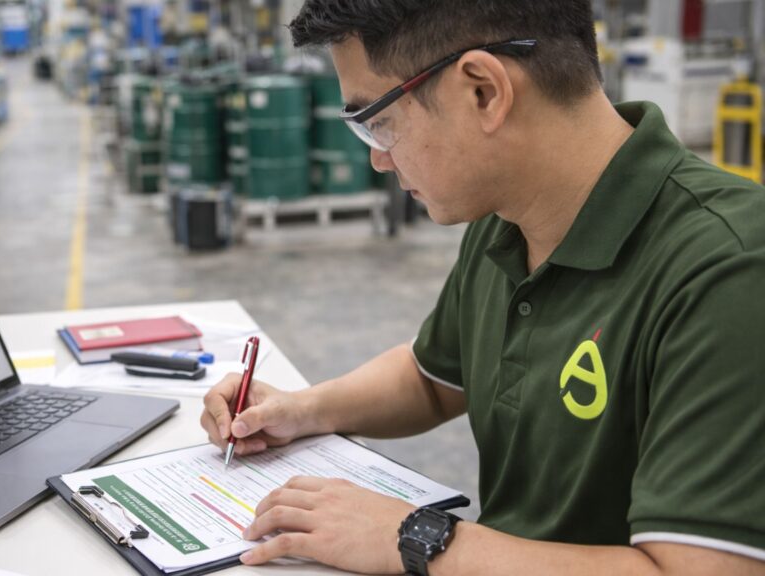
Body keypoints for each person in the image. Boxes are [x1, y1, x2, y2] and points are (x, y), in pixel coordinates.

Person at [200, 1, 765, 574]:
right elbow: (433, 379)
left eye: (379, 121)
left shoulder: (729, 270)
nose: (377, 159)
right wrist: (300, 410)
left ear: (484, 92)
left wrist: (415, 536)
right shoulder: (509, 218)